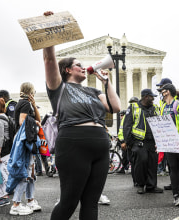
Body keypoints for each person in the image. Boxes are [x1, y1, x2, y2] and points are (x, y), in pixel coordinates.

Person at [43, 10, 121, 220]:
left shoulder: (94, 91)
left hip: (100, 145)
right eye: (78, 65)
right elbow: (50, 60)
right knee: (69, 201)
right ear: (67, 70)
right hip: (73, 143)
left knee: (91, 203)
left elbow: (115, 107)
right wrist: (49, 31)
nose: (83, 68)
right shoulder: (58, 87)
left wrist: (106, 82)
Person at [7, 82, 42, 215]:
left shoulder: (24, 103)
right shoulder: (25, 103)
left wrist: (34, 106)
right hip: (25, 141)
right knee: (26, 172)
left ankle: (30, 200)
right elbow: (22, 121)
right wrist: (35, 122)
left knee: (30, 173)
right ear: (31, 92)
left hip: (26, 140)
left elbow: (36, 118)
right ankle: (16, 204)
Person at [123, 89, 162, 194]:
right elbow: (127, 125)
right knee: (141, 163)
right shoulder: (133, 107)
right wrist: (129, 143)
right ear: (146, 97)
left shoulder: (155, 108)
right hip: (139, 142)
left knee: (152, 164)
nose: (153, 99)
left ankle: (151, 186)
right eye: (151, 97)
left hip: (152, 141)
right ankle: (141, 185)